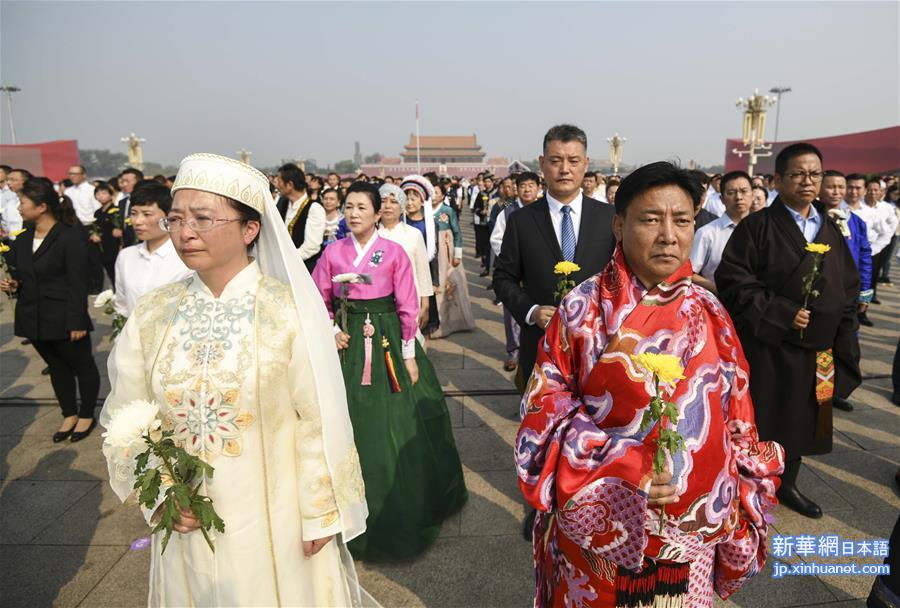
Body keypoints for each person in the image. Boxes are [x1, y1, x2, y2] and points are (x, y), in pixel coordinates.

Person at [100, 153, 372, 607]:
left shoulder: (288, 312)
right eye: (177, 218)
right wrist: (159, 492)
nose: (185, 233)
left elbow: (317, 416)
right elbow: (127, 414)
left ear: (250, 229)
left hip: (278, 517)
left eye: (202, 218)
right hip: (187, 516)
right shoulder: (153, 314)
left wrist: (320, 512)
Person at [516, 161, 784, 607]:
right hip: (602, 527)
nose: (668, 235)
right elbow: (543, 411)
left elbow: (737, 415)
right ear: (619, 226)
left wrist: (739, 491)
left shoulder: (710, 311)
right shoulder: (581, 309)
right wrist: (623, 466)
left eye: (682, 221)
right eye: (650, 219)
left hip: (690, 526)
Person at [312, 182, 467, 562]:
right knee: (351, 420)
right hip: (350, 341)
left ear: (377, 212)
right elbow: (318, 296)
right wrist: (332, 329)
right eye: (348, 207)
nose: (353, 213)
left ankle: (401, 503)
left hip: (387, 341)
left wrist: (408, 353)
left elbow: (407, 304)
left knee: (397, 418)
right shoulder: (333, 252)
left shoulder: (394, 252)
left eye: (362, 207)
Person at [716, 143, 861, 519]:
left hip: (819, 349)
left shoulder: (830, 229)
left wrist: (842, 316)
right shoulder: (758, 226)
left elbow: (848, 283)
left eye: (815, 174)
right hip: (770, 347)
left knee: (806, 420)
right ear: (778, 179)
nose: (807, 181)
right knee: (763, 419)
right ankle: (745, 487)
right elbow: (733, 281)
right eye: (797, 174)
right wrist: (781, 313)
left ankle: (788, 484)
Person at [493, 124, 616, 395]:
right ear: (542, 164)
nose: (564, 169)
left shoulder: (610, 218)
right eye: (556, 160)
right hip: (541, 342)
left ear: (585, 164)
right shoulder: (521, 220)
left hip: (598, 346)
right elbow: (503, 278)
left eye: (573, 161)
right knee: (541, 424)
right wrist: (531, 311)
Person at [0, 177, 101, 443]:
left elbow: (78, 283)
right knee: (56, 366)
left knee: (82, 366)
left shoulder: (69, 237)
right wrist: (14, 285)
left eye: (23, 202)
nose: (19, 207)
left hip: (65, 317)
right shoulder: (22, 240)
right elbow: (27, 276)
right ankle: (69, 413)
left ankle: (87, 414)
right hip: (33, 317)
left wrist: (77, 320)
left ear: (42, 206)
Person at [113, 180, 193, 318]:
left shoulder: (186, 258)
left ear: (169, 218)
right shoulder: (126, 256)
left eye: (147, 214)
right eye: (134, 213)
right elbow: (122, 306)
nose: (138, 221)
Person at [490, 171, 541, 372]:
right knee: (513, 310)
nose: (527, 189)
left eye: (531, 185)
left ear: (538, 188)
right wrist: (513, 259)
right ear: (516, 189)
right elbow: (496, 239)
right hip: (516, 270)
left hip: (539, 271)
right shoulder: (508, 210)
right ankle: (514, 351)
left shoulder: (545, 209)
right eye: (523, 186)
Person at [819, 170, 874, 330]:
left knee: (847, 339)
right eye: (830, 187)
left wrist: (865, 291)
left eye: (840, 187)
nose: (836, 192)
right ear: (819, 188)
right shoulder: (811, 219)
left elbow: (864, 257)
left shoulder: (856, 222)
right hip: (820, 292)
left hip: (848, 292)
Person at [376, 183, 433, 332]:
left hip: (409, 299)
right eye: (383, 201)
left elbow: (422, 271)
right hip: (377, 301)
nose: (388, 206)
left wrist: (425, 303)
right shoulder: (369, 235)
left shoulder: (413, 234)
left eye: (394, 202)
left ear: (402, 207)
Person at [690, 170, 752, 293]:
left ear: (752, 194)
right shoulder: (707, 233)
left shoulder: (765, 230)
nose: (739, 197)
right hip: (718, 303)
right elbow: (689, 273)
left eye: (744, 191)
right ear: (722, 199)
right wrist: (718, 291)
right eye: (731, 192)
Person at [429, 182, 475, 338]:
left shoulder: (447, 211)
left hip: (446, 251)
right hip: (431, 251)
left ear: (442, 195)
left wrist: (458, 254)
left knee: (451, 285)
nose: (433, 195)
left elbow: (458, 233)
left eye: (436, 192)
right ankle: (435, 322)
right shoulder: (424, 211)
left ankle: (452, 322)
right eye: (431, 192)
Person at [401, 175, 439, 336]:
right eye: (407, 198)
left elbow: (434, 253)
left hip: (424, 271)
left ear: (422, 201)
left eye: (414, 198)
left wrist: (435, 281)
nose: (409, 202)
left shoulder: (430, 225)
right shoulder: (400, 223)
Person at [275, 163, 326, 272]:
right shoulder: (283, 205)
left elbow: (311, 247)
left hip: (305, 269)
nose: (277, 185)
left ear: (289, 184)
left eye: (279, 181)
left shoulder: (314, 208)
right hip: (286, 267)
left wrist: (287, 259)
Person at [860, 178, 898, 304]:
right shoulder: (859, 206)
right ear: (865, 190)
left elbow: (892, 225)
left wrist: (880, 243)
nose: (872, 192)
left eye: (876, 190)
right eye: (870, 189)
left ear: (881, 192)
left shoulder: (885, 207)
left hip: (877, 248)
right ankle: (858, 306)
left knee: (873, 275)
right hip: (859, 248)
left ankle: (869, 299)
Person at [90, 181, 122, 287]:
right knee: (108, 271)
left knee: (116, 272)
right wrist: (93, 234)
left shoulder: (116, 210)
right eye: (98, 194)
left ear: (110, 194)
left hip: (113, 244)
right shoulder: (97, 212)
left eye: (104, 193)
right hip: (101, 245)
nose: (101, 196)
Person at [116, 167, 143, 246]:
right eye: (123, 181)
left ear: (138, 182)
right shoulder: (122, 203)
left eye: (127, 181)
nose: (124, 184)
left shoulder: (146, 202)